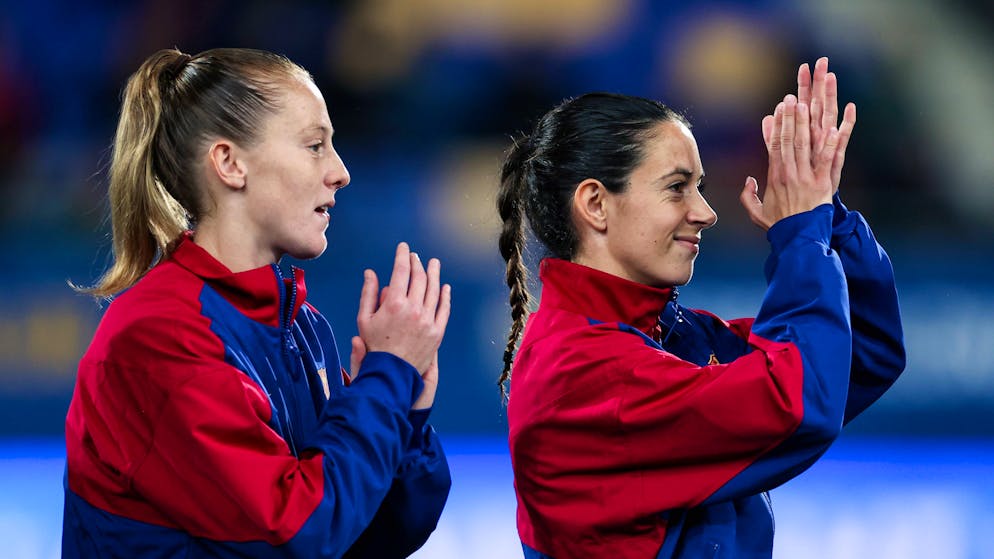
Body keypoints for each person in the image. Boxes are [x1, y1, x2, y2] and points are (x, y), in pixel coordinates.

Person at [497, 58, 905, 558]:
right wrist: (801, 232)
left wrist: (825, 210)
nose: (706, 213)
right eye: (676, 187)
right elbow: (798, 404)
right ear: (596, 204)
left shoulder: (673, 336)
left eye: (701, 188)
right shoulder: (579, 370)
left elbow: (864, 350)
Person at [63, 47, 452, 559]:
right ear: (229, 163)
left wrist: (405, 408)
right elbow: (296, 533)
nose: (340, 172)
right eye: (315, 146)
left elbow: (371, 534)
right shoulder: (157, 334)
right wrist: (384, 378)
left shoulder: (298, 323)